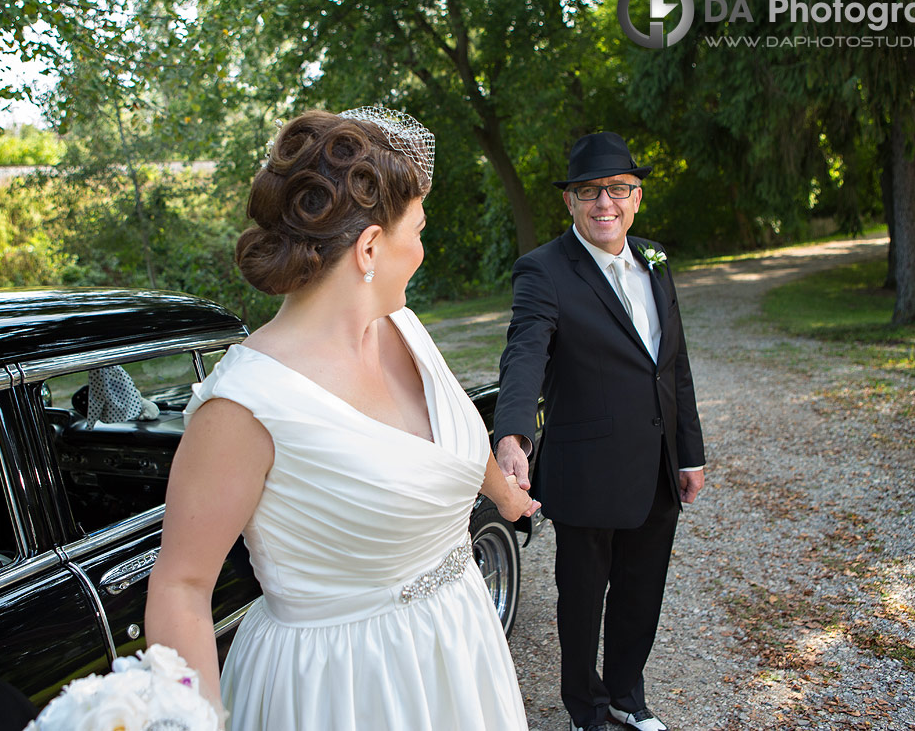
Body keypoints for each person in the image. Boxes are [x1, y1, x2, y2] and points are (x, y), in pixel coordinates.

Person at [146, 107, 540, 731]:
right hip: (343, 685)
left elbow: (451, 430)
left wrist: (503, 493)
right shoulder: (245, 406)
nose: (423, 249)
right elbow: (180, 587)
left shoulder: (401, 325)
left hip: (459, 646)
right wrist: (196, 721)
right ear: (370, 247)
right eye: (418, 230)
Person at [493, 132, 706, 731]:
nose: (603, 203)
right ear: (570, 202)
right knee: (583, 602)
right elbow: (524, 356)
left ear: (636, 197)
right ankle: (585, 710)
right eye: (589, 192)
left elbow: (675, 366)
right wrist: (512, 435)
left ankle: (626, 698)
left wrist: (690, 452)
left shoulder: (657, 261)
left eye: (616, 189)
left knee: (642, 594)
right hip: (586, 472)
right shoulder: (543, 270)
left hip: (657, 464)